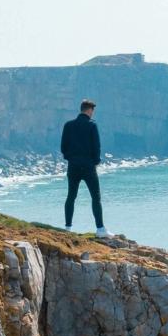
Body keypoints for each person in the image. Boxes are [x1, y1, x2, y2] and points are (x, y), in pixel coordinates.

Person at [60, 99, 110, 237]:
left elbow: (63, 147)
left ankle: (68, 228)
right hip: (88, 167)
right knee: (95, 198)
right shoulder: (92, 125)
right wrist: (95, 162)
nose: (92, 113)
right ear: (89, 110)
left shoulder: (68, 125)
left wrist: (70, 158)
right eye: (92, 111)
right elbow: (96, 147)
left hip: (73, 166)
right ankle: (100, 229)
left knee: (71, 196)